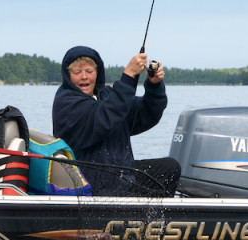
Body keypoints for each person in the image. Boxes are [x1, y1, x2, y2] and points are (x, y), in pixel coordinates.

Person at [52, 45, 180, 197]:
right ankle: (138, 217)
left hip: (121, 176)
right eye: (77, 72)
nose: (84, 76)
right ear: (68, 75)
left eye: (89, 71)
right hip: (91, 185)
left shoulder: (107, 95)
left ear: (97, 73)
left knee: (170, 169)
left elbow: (144, 113)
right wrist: (129, 75)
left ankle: (155, 218)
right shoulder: (66, 102)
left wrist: (154, 86)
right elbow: (105, 117)